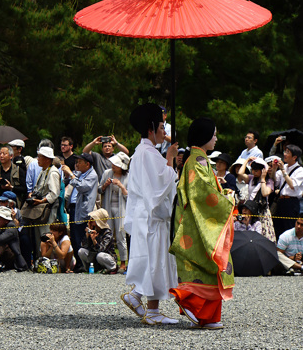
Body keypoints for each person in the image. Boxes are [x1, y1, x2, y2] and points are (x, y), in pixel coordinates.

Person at [168, 116, 234, 329]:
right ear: (204, 136)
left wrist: (222, 193)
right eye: (213, 134)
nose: (216, 138)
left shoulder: (199, 159)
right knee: (201, 264)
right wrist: (227, 200)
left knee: (209, 266)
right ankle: (190, 303)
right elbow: (202, 194)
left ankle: (209, 316)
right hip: (195, 223)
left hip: (199, 219)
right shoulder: (197, 161)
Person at [121, 103, 179, 327]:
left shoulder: (141, 151)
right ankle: (145, 303)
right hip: (152, 216)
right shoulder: (149, 153)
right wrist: (171, 158)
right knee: (155, 261)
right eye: (162, 127)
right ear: (151, 128)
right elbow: (161, 182)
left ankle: (143, 300)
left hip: (145, 214)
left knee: (152, 260)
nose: (164, 132)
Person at [61, 152, 98, 266]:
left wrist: (71, 174)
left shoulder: (92, 175)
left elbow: (83, 187)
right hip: (73, 207)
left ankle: (84, 264)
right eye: (76, 162)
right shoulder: (79, 173)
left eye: (80, 162)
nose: (77, 164)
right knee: (74, 235)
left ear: (87, 164)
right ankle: (78, 264)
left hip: (83, 210)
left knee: (81, 237)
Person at [99, 151, 129, 272]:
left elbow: (129, 197)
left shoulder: (128, 177)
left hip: (122, 209)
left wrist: (121, 186)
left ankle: (123, 262)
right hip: (108, 207)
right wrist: (105, 185)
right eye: (113, 164)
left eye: (116, 165)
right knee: (108, 234)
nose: (113, 166)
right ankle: (110, 261)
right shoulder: (107, 173)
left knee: (121, 235)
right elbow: (99, 190)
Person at [271, 144, 303, 238]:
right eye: (285, 151)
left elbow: (292, 185)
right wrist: (274, 169)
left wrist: (283, 170)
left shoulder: (300, 170)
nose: (284, 154)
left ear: (294, 157)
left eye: (287, 152)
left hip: (291, 202)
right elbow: (275, 181)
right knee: (277, 227)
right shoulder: (285, 167)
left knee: (289, 227)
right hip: (281, 201)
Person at [78, 208, 118, 273]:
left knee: (100, 255)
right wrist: (87, 236)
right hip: (94, 257)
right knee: (81, 251)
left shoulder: (107, 233)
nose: (91, 220)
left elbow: (102, 250)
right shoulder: (93, 229)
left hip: (106, 256)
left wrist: (94, 241)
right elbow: (84, 246)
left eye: (93, 218)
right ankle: (89, 269)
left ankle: (112, 268)